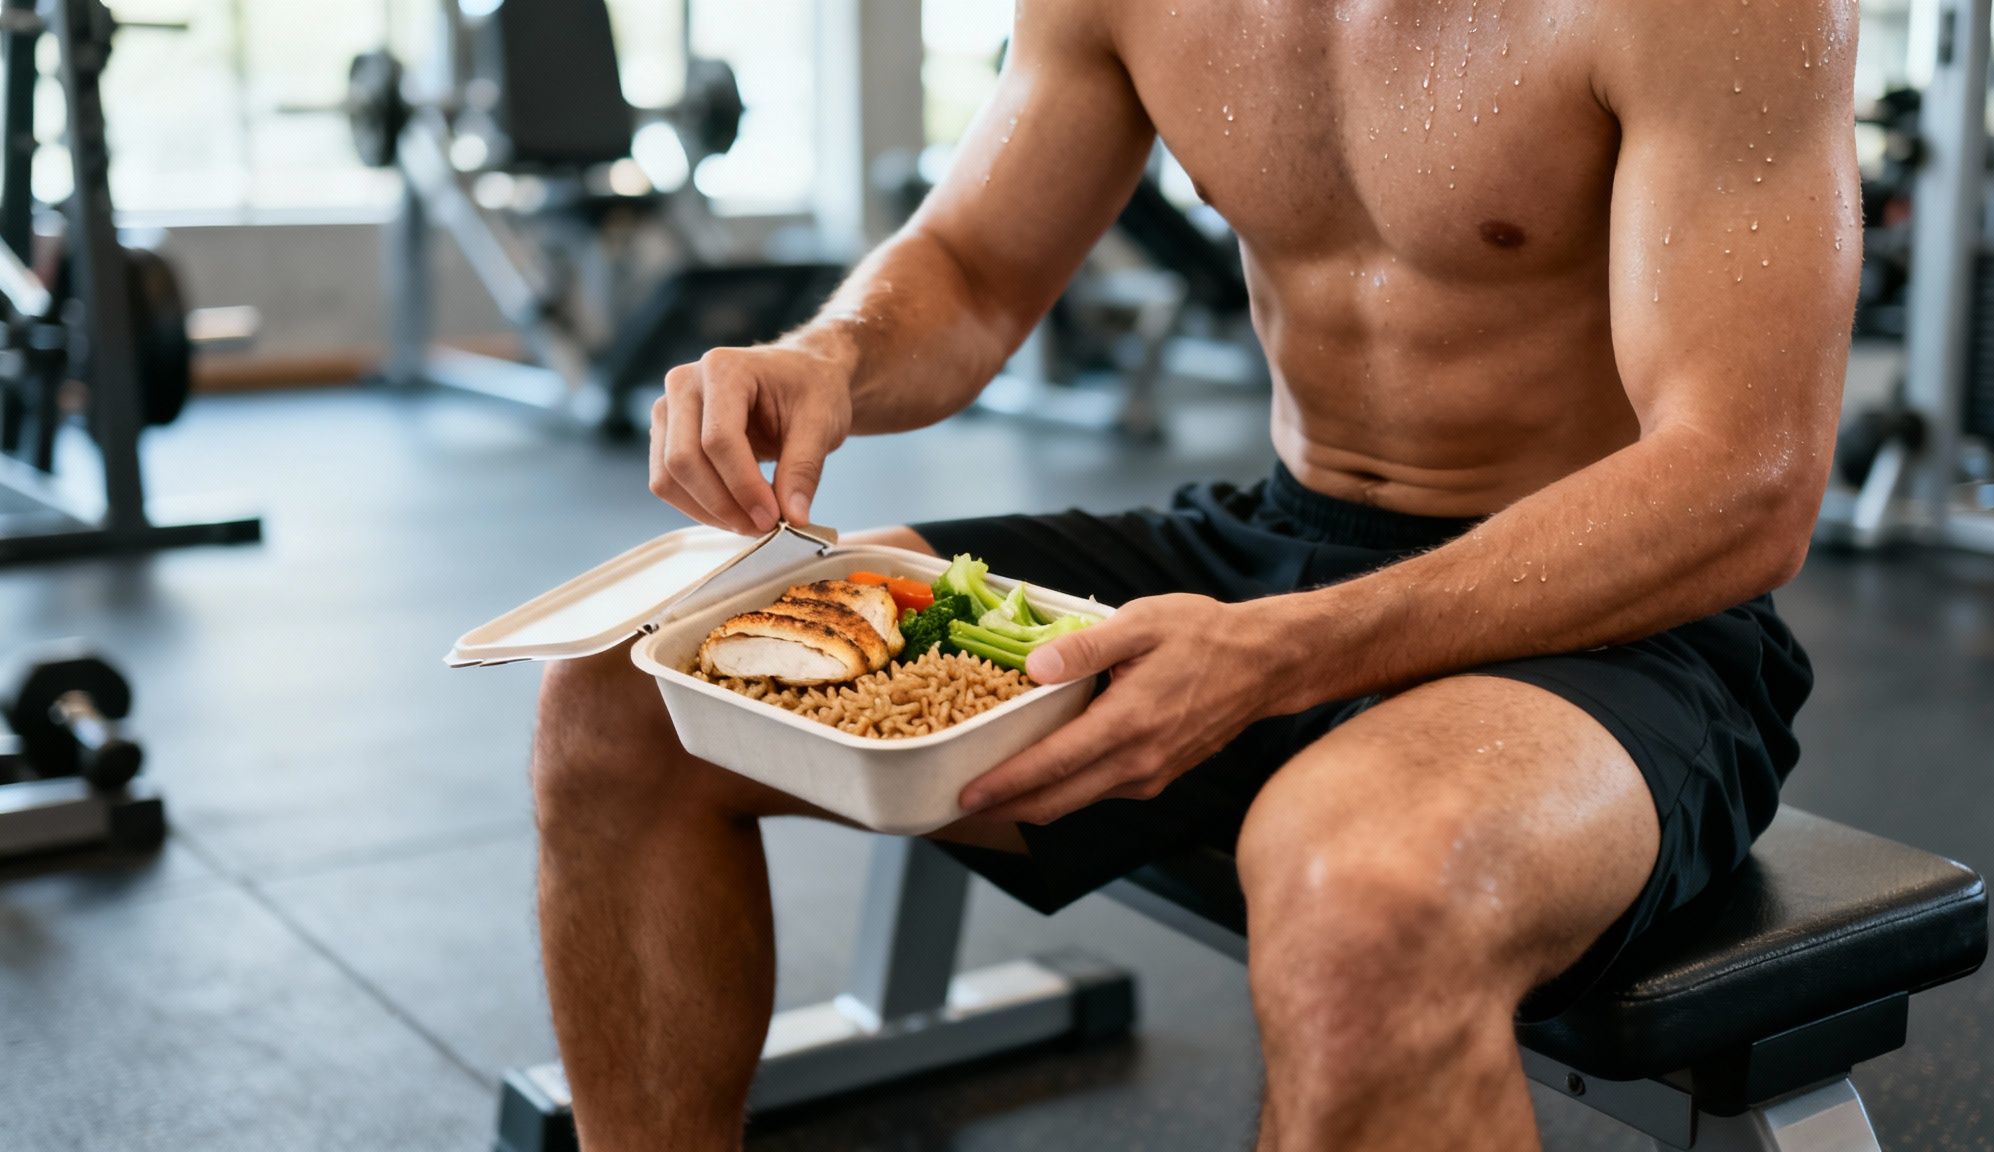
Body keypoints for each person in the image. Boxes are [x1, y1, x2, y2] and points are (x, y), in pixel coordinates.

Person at [532, 2, 1859, 1148]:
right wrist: (829, 357)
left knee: (1362, 904)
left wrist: (1285, 649)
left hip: (1611, 618)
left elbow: (1743, 480)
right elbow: (975, 269)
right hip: (1267, 552)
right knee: (624, 691)